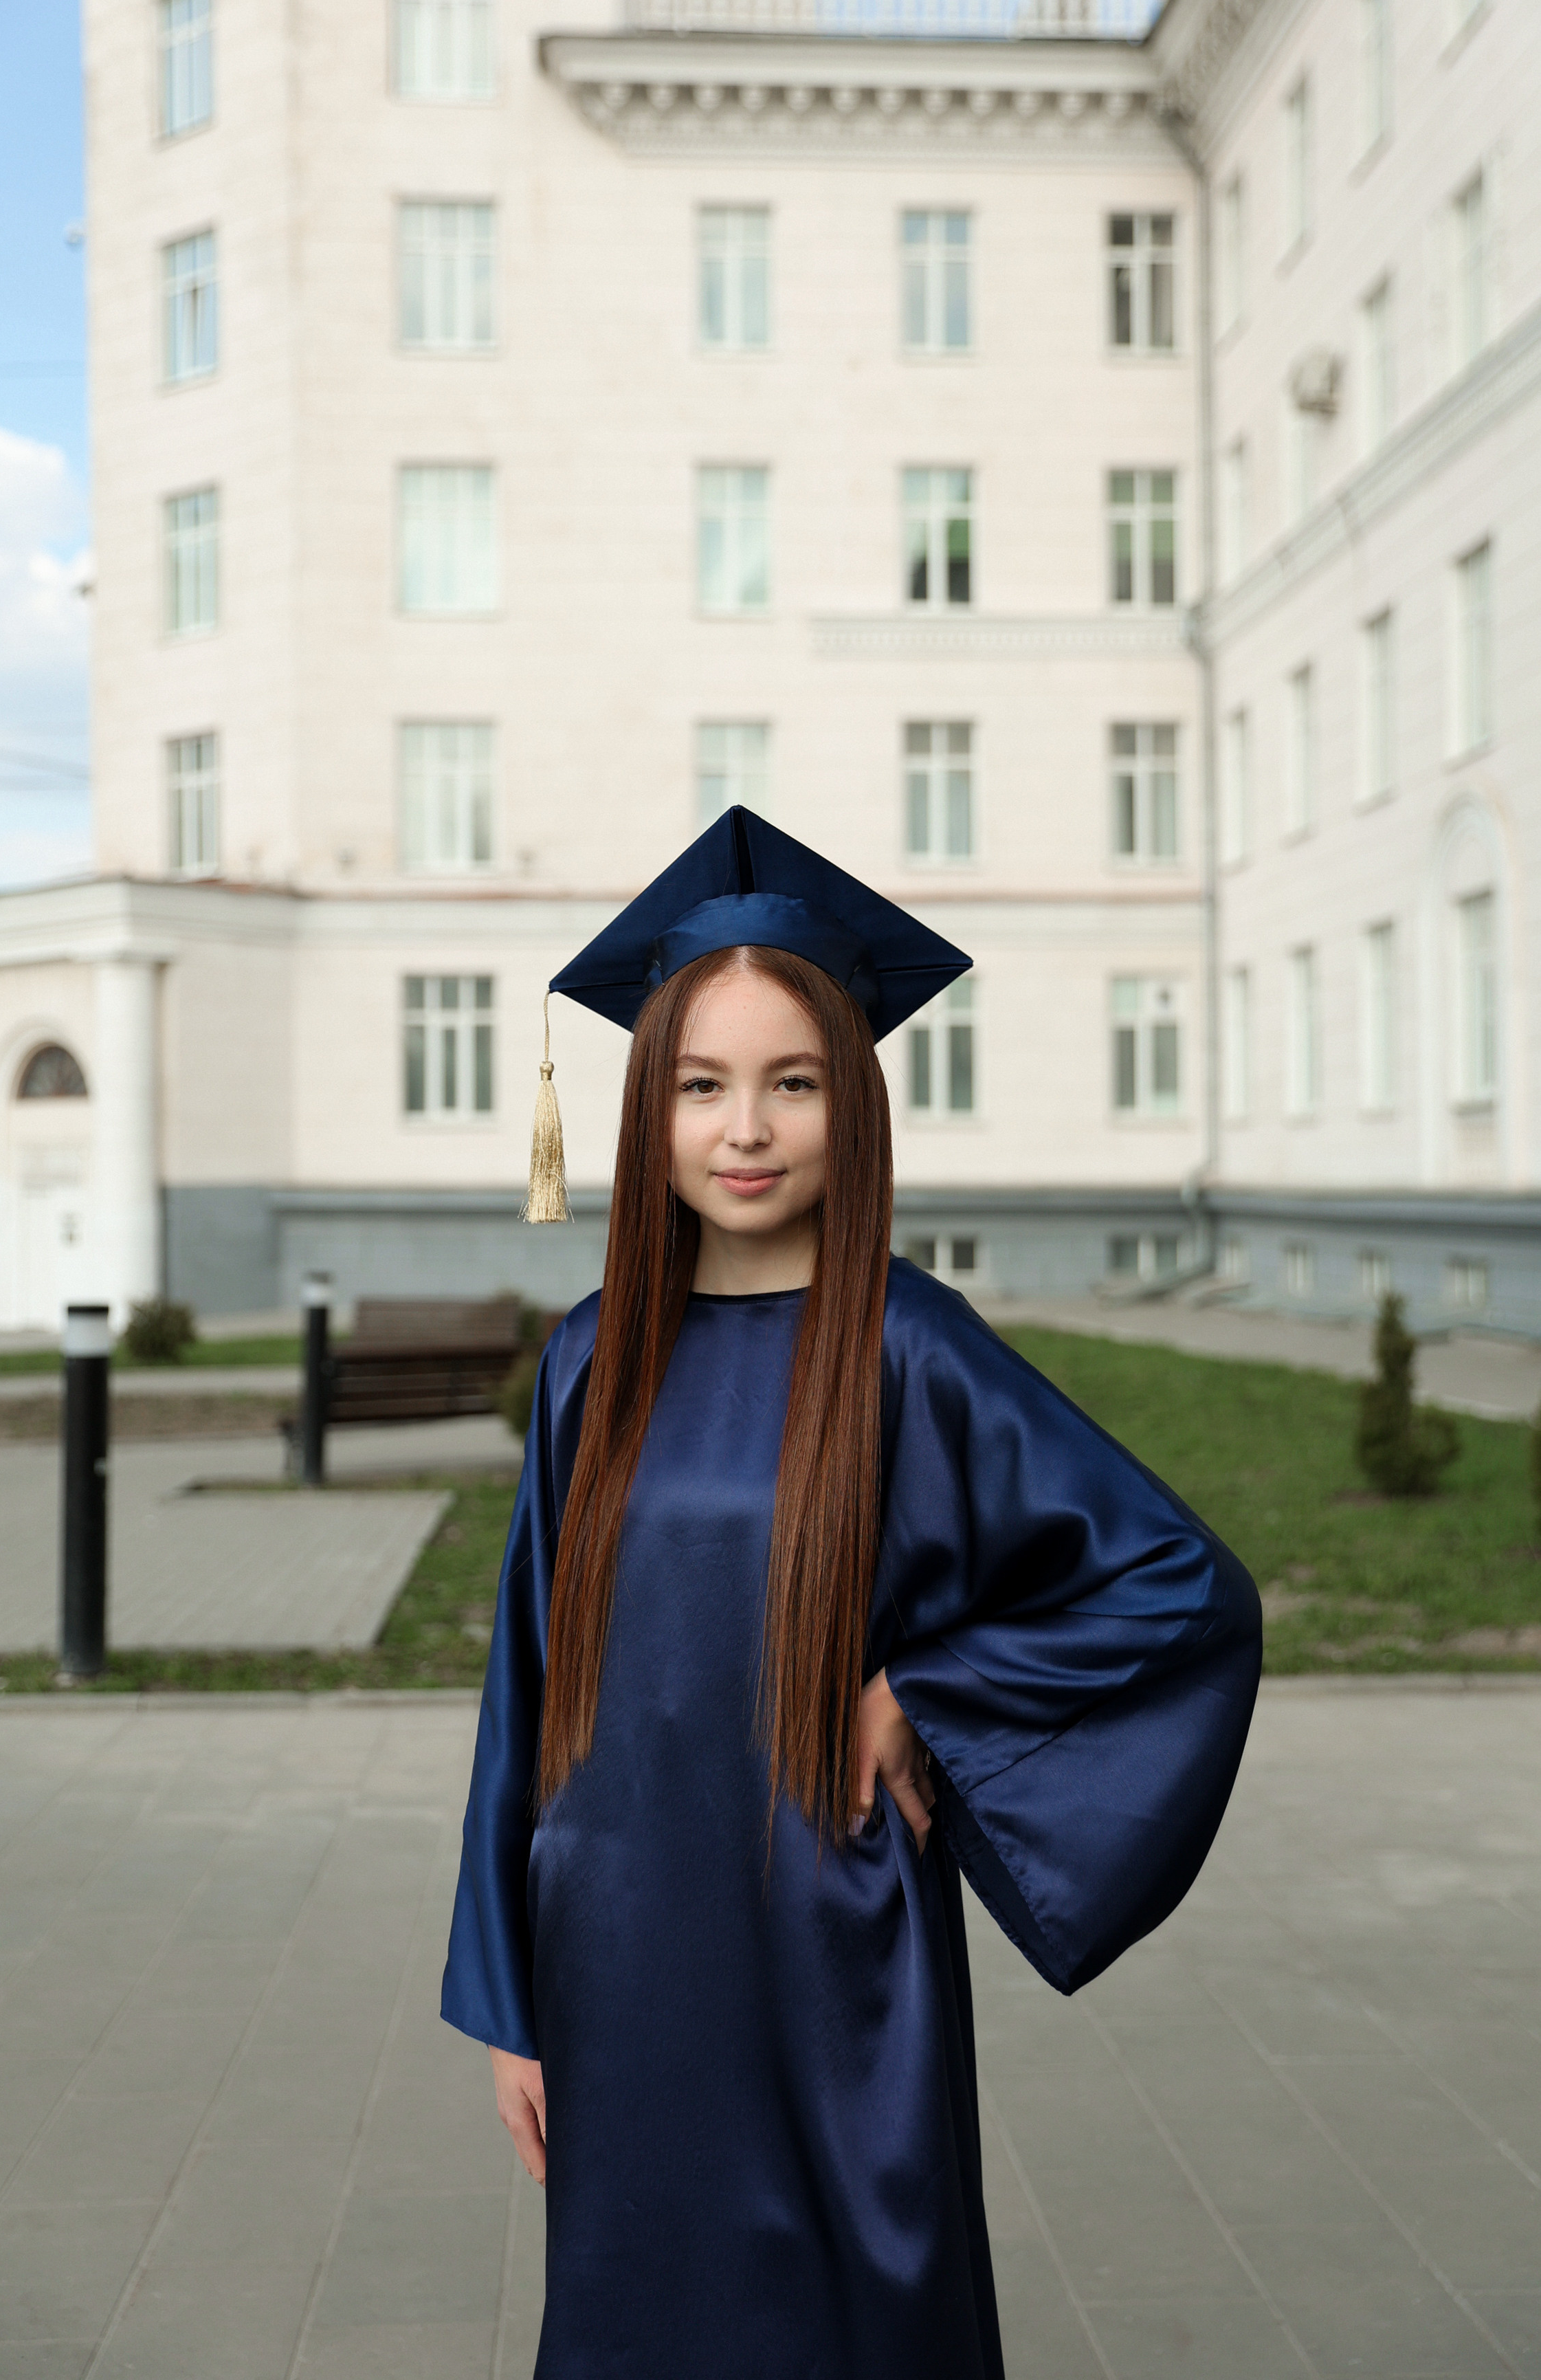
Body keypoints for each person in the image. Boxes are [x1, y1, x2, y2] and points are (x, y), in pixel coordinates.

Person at [443, 808, 1262, 2379]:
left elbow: (1174, 1587)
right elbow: (525, 1686)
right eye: (700, 1085)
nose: (743, 1129)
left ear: (852, 1100)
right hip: (613, 1956)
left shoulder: (908, 1347)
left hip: (834, 1945)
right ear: (647, 1110)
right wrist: (507, 1993)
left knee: (858, 2322)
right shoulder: (590, 1357)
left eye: (791, 1081)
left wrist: (927, 1695)